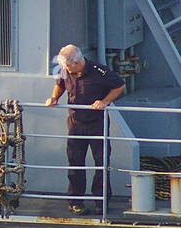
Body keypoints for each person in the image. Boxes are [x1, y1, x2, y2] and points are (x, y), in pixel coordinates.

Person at [44, 44, 126, 214]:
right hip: (75, 123)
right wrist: (54, 98)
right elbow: (60, 84)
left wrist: (104, 101)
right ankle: (75, 201)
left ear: (77, 62)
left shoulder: (99, 71)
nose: (65, 69)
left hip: (97, 124)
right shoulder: (65, 71)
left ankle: (100, 201)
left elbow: (119, 85)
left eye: (67, 66)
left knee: (101, 164)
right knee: (75, 164)